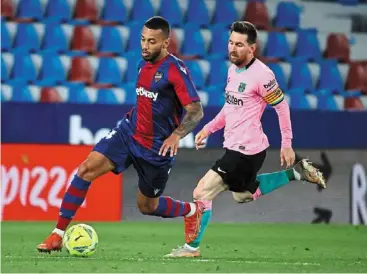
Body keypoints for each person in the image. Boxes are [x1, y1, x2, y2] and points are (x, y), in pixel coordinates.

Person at [37, 16, 205, 253]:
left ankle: (191, 211)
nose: (145, 46)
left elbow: (196, 111)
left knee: (147, 206)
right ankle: (57, 234)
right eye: (143, 40)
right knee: (86, 168)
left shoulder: (175, 71)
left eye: (152, 42)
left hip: (157, 149)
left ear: (166, 43)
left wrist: (176, 135)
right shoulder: (141, 63)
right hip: (129, 132)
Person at [164, 21, 326, 258]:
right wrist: (208, 129)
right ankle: (296, 173)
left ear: (252, 48)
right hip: (238, 148)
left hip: (246, 150)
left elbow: (282, 108)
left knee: (201, 192)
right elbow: (229, 109)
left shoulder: (262, 75)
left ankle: (191, 248)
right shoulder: (232, 71)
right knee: (242, 196)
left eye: (239, 45)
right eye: (231, 42)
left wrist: (287, 143)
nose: (233, 48)